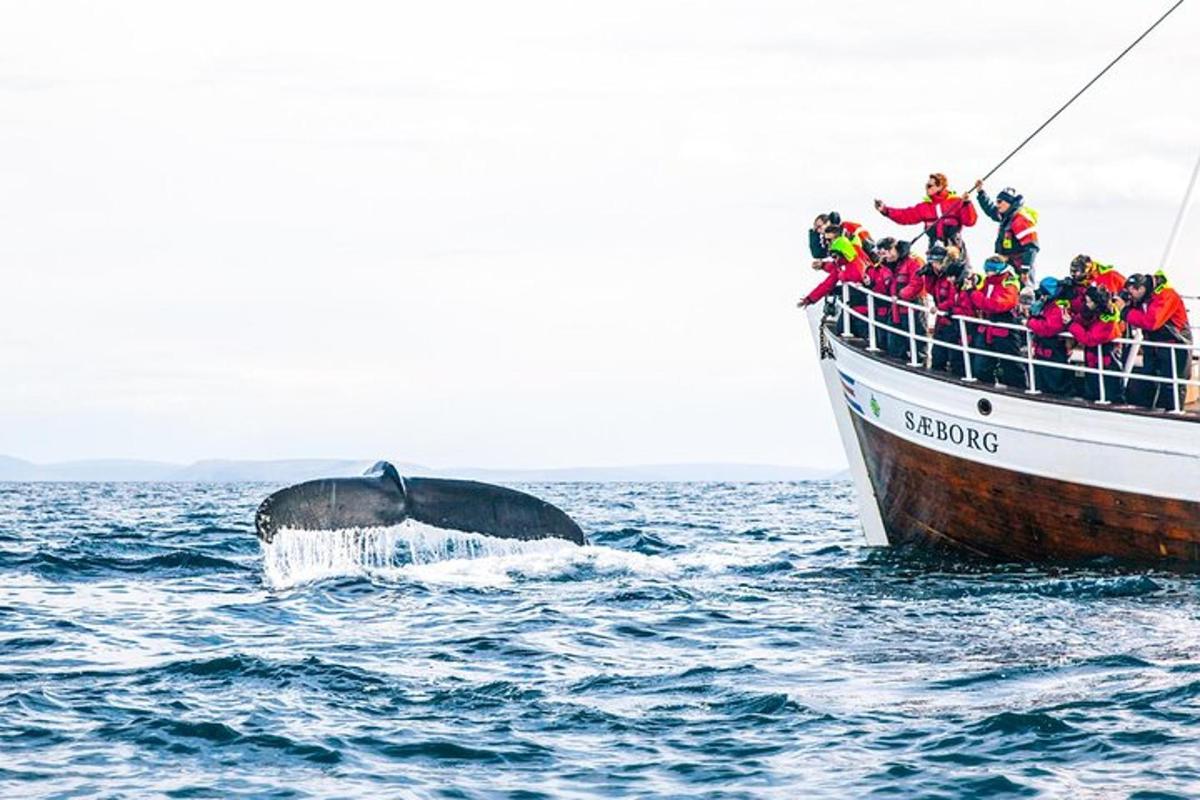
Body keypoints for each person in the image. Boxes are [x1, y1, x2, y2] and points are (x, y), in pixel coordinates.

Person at [1123, 271, 1193, 410]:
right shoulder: (1145, 298)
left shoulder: (1166, 295)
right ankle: (1146, 409)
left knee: (1172, 383)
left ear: (1141, 289)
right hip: (1154, 344)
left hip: (1175, 344)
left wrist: (1125, 312)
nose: (1130, 296)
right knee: (1148, 379)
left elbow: (1152, 321)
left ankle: (1173, 413)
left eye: (1132, 292)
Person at [873, 173, 978, 257]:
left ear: (940, 186)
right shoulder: (924, 207)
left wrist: (966, 203)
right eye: (926, 186)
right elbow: (906, 216)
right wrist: (885, 210)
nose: (927, 188)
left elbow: (970, 221)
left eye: (930, 186)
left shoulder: (956, 201)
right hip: (934, 248)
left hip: (954, 247)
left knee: (958, 274)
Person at [798, 224, 870, 338]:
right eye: (825, 240)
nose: (827, 244)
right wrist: (810, 299)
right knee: (841, 330)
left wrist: (843, 274)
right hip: (853, 305)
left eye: (829, 240)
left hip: (865, 305)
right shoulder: (841, 263)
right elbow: (828, 282)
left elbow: (858, 272)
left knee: (863, 333)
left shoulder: (855, 258)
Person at [965, 255, 1026, 388]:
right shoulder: (989, 281)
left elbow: (996, 305)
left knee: (1011, 364)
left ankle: (1018, 390)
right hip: (988, 326)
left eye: (990, 270)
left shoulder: (1009, 283)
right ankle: (985, 387)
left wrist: (973, 293)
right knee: (981, 365)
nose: (987, 273)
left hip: (1005, 327)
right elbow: (981, 298)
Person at [923, 243, 973, 377]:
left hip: (952, 323)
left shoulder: (954, 275)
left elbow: (954, 299)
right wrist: (929, 275)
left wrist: (940, 307)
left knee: (956, 357)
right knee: (938, 356)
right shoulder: (938, 276)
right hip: (942, 321)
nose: (933, 265)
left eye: (935, 262)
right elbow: (931, 291)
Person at [974, 182, 1039, 284]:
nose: (997, 204)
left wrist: (1025, 270)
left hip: (1020, 267)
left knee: (1023, 294)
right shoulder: (1006, 216)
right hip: (1008, 264)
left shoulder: (1020, 220)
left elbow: (1031, 247)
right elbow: (991, 210)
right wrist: (981, 193)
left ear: (1009, 203)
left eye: (999, 202)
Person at [1069, 284, 1125, 403]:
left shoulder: (1108, 321)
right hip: (1094, 363)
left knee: (1108, 392)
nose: (1086, 305)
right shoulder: (1095, 315)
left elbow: (1090, 339)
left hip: (1106, 364)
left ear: (1097, 303)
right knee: (1093, 389)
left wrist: (1071, 325)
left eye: (1089, 302)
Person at [1025, 277, 1075, 396]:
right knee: (1042, 377)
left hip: (1054, 351)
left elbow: (1049, 328)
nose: (1041, 296)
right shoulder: (1047, 305)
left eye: (1043, 293)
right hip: (1043, 350)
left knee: (1055, 381)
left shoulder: (1058, 307)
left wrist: (1030, 322)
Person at [886, 239, 927, 361]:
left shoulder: (914, 263)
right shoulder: (897, 265)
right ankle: (898, 357)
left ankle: (919, 359)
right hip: (897, 308)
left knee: (916, 335)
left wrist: (900, 295)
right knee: (896, 339)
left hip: (913, 306)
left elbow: (917, 283)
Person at [860, 237, 897, 349]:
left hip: (892, 309)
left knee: (892, 339)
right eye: (879, 253)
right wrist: (867, 284)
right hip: (879, 309)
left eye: (883, 253)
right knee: (881, 338)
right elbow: (873, 283)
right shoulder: (875, 269)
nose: (881, 256)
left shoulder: (895, 267)